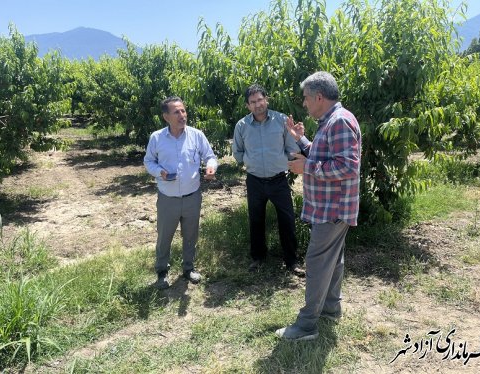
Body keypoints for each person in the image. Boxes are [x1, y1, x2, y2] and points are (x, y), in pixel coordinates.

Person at [276, 71, 362, 340]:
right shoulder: (331, 121)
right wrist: (300, 139)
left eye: (305, 98)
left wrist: (307, 167)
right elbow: (325, 153)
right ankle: (330, 308)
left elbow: (348, 166)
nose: (304, 104)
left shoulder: (339, 122)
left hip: (332, 208)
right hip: (332, 207)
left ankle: (306, 325)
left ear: (319, 97)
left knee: (316, 262)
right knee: (334, 261)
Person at [144, 96, 218, 290]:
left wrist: (211, 167)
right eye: (176, 112)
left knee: (191, 235)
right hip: (168, 198)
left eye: (183, 111)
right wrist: (159, 172)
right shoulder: (157, 138)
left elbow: (209, 156)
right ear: (166, 117)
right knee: (164, 236)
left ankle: (188, 268)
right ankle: (162, 271)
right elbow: (148, 161)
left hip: (192, 196)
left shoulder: (196, 135)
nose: (182, 115)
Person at [232, 84, 304, 276]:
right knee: (256, 219)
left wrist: (285, 161)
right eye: (253, 102)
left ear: (267, 99)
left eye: (260, 100)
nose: (257, 105)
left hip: (279, 180)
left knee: (287, 219)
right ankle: (258, 257)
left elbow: (291, 148)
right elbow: (237, 152)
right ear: (248, 105)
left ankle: (291, 260)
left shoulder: (281, 120)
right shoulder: (242, 126)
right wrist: (247, 161)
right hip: (254, 180)